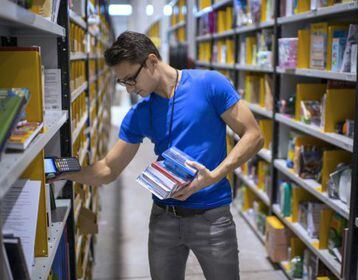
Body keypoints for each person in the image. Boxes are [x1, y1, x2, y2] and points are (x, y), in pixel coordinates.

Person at [55, 31, 264, 280]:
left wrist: (215, 176)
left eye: (131, 79)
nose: (130, 89)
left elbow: (254, 135)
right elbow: (109, 168)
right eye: (123, 83)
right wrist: (64, 172)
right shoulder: (140, 113)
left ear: (152, 61)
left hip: (212, 216)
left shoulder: (209, 84)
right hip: (164, 218)